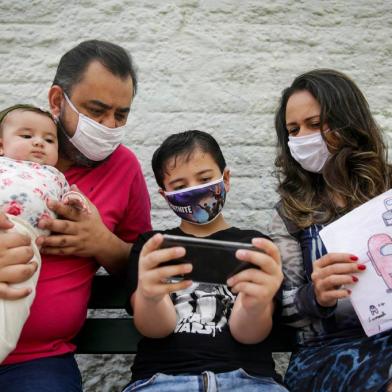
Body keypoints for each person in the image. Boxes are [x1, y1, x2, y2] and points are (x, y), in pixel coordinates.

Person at [0, 40, 152, 391]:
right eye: (96, 110)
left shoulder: (123, 167)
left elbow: (142, 262)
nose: (109, 125)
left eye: (121, 114)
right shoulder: (7, 147)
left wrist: (101, 242)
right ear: (57, 101)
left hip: (40, 361)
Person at [124, 130, 286, 391]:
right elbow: (155, 328)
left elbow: (249, 333)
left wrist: (256, 304)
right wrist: (150, 296)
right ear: (165, 196)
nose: (195, 191)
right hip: (162, 380)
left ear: (226, 178)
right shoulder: (152, 247)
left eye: (205, 178)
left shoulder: (255, 245)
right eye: (180, 187)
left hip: (249, 380)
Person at [269, 68, 392, 392]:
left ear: (347, 121)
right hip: (328, 352)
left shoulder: (388, 191)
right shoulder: (291, 211)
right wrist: (315, 296)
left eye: (314, 124)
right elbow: (277, 305)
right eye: (293, 130)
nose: (303, 138)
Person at [0, 104, 88, 363]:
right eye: (27, 136)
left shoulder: (56, 176)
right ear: (2, 145)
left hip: (26, 244)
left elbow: (71, 196)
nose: (39, 143)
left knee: (13, 303)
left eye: (48, 139)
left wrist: (76, 202)